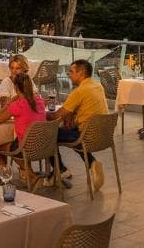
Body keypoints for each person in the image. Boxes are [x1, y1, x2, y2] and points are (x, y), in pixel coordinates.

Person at [46, 59, 108, 191]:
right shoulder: (98, 86)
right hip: (103, 134)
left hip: (85, 136)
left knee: (47, 135)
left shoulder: (79, 91)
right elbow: (85, 108)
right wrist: (71, 115)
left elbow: (56, 116)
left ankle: (60, 170)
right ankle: (91, 163)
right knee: (67, 131)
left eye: (71, 72)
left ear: (81, 72)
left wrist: (40, 113)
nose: (68, 75)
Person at [0, 73, 46, 184]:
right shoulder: (40, 101)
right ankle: (27, 174)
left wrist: (10, 102)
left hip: (27, 148)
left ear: (16, 87)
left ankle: (7, 180)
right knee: (17, 142)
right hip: (43, 145)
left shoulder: (18, 105)